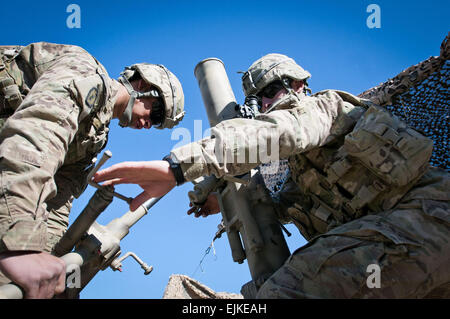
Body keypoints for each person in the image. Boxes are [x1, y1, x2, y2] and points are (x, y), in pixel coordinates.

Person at [93, 53, 450, 298]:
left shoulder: (322, 108)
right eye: (257, 101)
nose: (263, 107)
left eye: (267, 94)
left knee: (288, 288)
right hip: (406, 246)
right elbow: (285, 203)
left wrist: (177, 166)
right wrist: (219, 201)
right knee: (266, 289)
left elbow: (276, 134)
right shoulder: (303, 169)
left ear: (296, 85)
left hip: (428, 218)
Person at [0, 42, 185, 298]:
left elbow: (59, 199)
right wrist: (21, 248)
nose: (149, 125)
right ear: (142, 85)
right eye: (156, 113)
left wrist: (47, 255)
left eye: (157, 124)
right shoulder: (85, 72)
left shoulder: (95, 138)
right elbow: (33, 143)